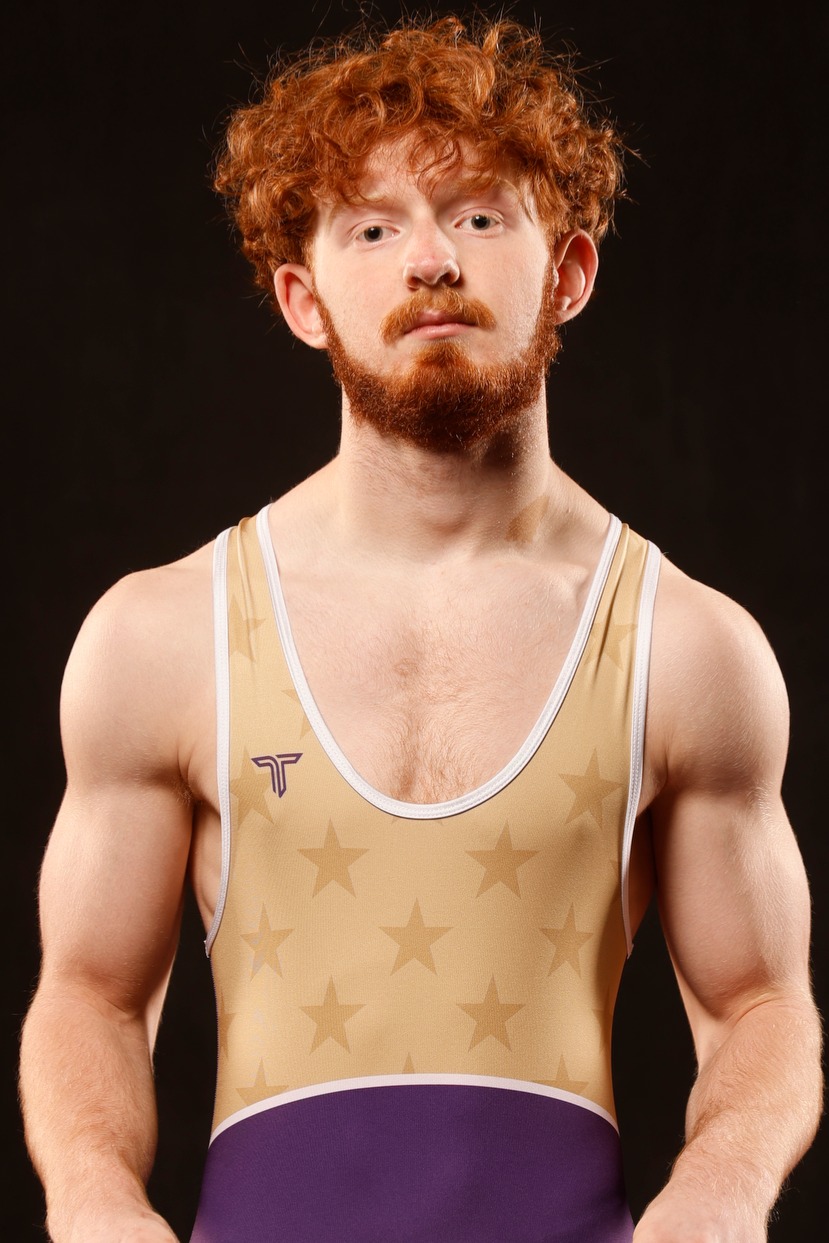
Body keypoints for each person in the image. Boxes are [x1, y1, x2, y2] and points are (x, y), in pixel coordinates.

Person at [19, 14, 822, 1243]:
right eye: (373, 228)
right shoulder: (161, 637)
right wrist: (94, 1205)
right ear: (303, 299)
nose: (432, 261)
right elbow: (90, 996)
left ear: (568, 273)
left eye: (480, 217)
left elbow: (760, 1002)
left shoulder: (688, 648)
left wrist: (714, 1200)